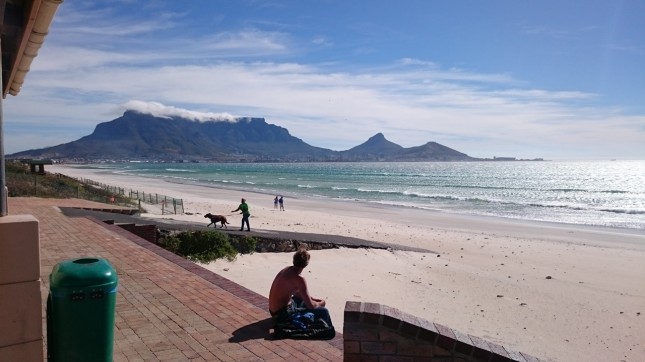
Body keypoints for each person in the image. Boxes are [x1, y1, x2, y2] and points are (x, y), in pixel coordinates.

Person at [269, 248, 333, 328]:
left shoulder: (286, 269)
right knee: (324, 311)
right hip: (282, 314)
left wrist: (312, 299)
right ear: (306, 264)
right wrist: (320, 303)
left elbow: (298, 293)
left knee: (300, 299)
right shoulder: (299, 278)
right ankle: (328, 331)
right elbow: (311, 306)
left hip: (273, 311)